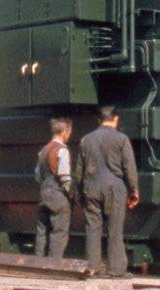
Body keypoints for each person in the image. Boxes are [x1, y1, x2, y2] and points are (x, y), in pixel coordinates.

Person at [74, 106, 139, 276]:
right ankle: (116, 270)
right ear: (116, 119)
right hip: (115, 188)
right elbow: (129, 167)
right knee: (115, 229)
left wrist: (79, 192)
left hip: (92, 188)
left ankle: (92, 267)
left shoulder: (86, 140)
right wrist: (134, 190)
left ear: (98, 120)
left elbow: (79, 170)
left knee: (92, 228)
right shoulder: (122, 139)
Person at [34, 117, 74, 258]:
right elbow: (64, 176)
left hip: (44, 194)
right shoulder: (62, 150)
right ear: (64, 132)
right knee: (59, 232)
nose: (69, 135)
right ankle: (54, 265)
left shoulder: (43, 151)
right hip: (58, 196)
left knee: (42, 230)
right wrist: (71, 194)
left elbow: (37, 176)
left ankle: (38, 263)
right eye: (69, 132)